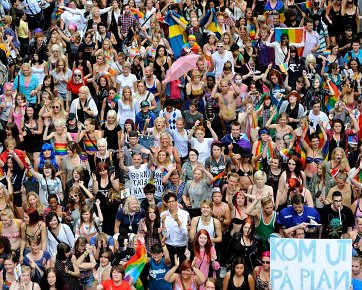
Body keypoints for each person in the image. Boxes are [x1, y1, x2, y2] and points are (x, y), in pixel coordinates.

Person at [161, 192, 190, 267]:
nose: (171, 204)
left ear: (176, 202)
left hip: (182, 246)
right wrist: (163, 222)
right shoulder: (163, 215)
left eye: (173, 201)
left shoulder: (184, 214)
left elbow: (186, 233)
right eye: (169, 202)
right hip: (169, 246)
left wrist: (178, 220)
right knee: (171, 270)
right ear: (166, 203)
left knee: (182, 269)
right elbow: (165, 234)